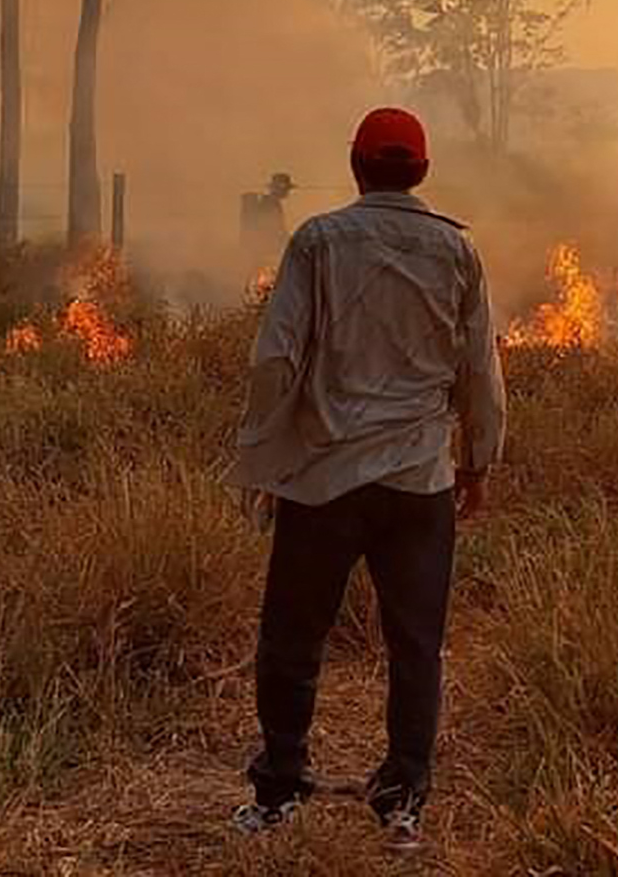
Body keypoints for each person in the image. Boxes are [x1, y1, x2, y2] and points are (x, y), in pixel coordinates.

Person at [228, 107, 505, 851]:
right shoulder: (457, 250)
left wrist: (263, 455)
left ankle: (280, 789)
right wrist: (478, 462)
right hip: (419, 480)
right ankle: (403, 800)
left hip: (323, 479)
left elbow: (275, 359)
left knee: (292, 640)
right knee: (416, 646)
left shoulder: (317, 241)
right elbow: (480, 370)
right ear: (422, 171)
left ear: (355, 165)